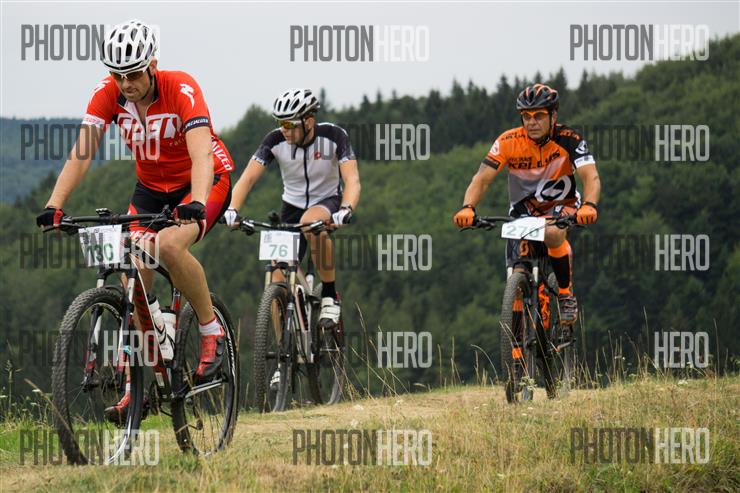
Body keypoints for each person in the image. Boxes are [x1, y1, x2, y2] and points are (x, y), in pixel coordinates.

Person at [35, 19, 234, 420]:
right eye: (118, 75)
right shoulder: (106, 94)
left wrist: (196, 201)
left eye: (134, 74)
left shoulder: (182, 88)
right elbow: (82, 153)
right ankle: (138, 385)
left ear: (153, 65)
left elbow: (201, 154)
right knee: (132, 269)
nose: (126, 83)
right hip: (150, 189)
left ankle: (211, 331)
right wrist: (54, 204)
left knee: (168, 246)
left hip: (203, 182)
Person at [453, 83, 601, 326]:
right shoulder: (508, 141)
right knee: (516, 268)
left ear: (553, 116)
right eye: (526, 116)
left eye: (539, 115)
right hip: (524, 211)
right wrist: (468, 207)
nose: (532, 122)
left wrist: (590, 204)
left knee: (552, 233)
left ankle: (565, 294)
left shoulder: (570, 139)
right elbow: (482, 179)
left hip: (561, 205)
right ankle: (516, 342)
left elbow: (590, 176)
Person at [224, 88, 361, 326]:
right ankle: (282, 347)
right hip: (291, 207)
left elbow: (352, 180)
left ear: (309, 121)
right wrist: (231, 209)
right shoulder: (274, 140)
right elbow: (247, 179)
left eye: (289, 124)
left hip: (326, 201)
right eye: (280, 123)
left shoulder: (334, 136)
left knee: (310, 223)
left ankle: (330, 296)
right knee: (276, 277)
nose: (284, 130)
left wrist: (346, 209)